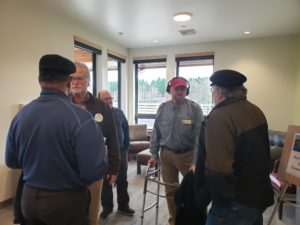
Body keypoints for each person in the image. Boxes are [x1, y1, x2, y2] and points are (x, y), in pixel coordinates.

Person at [5, 54, 108, 225]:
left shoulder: (21, 115)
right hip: (65, 203)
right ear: (68, 81)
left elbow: (11, 161)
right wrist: (103, 156)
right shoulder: (81, 118)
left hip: (28, 199)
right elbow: (93, 172)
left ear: (39, 79)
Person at [199, 69, 274, 225]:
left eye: (213, 90)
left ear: (220, 92)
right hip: (258, 195)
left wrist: (221, 203)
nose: (213, 94)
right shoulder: (255, 110)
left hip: (233, 204)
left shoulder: (219, 117)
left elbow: (218, 171)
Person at [69, 62, 120, 225]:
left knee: (92, 216)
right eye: (72, 78)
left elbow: (112, 137)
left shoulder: (102, 107)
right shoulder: (62, 104)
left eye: (80, 78)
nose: (75, 82)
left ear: (88, 81)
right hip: (67, 169)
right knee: (69, 215)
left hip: (93, 169)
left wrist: (114, 167)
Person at [148, 76, 203, 225]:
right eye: (176, 88)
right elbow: (156, 133)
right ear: (170, 90)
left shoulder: (195, 108)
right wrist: (154, 154)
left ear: (187, 90)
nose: (179, 91)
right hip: (166, 155)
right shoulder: (162, 108)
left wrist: (196, 161)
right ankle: (175, 219)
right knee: (170, 191)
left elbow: (200, 138)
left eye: (182, 88)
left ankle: (198, 220)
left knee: (195, 190)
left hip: (188, 155)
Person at [98, 89, 135, 218]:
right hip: (104, 154)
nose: (109, 100)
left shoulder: (119, 112)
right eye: (105, 99)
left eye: (110, 98)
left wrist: (126, 147)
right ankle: (107, 208)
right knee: (106, 181)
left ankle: (123, 206)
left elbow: (125, 129)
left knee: (122, 180)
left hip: (121, 152)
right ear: (99, 101)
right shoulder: (97, 115)